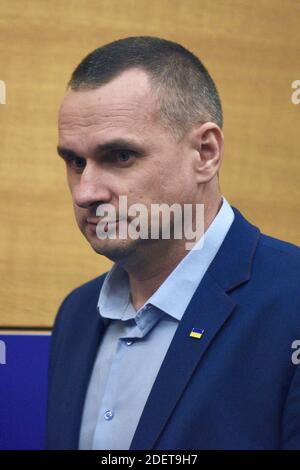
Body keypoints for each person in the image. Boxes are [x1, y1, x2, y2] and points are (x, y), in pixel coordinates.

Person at [46, 36, 300, 450]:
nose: (85, 192)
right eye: (76, 162)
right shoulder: (76, 314)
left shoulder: (292, 303)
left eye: (120, 156)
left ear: (205, 152)